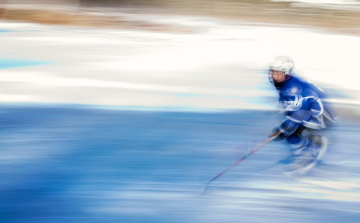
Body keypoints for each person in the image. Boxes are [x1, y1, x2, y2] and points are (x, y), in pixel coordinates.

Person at [268, 56, 336, 174]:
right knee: (289, 131)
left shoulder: (293, 88)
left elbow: (299, 112)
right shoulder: (285, 84)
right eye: (274, 72)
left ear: (287, 73)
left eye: (279, 73)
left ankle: (314, 147)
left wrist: (283, 128)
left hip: (320, 113)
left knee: (289, 130)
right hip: (308, 110)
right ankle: (302, 154)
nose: (275, 76)